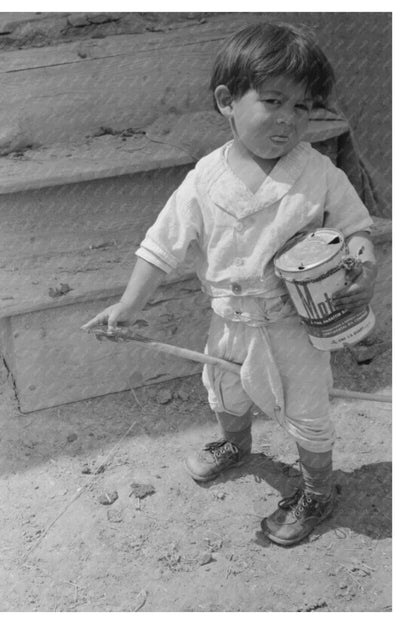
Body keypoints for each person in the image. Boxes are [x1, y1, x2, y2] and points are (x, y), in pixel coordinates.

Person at [82, 22, 377, 546]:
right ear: (227, 100)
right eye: (272, 101)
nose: (288, 119)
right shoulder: (203, 179)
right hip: (228, 320)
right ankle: (235, 444)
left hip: (293, 326)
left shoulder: (320, 172)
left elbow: (356, 227)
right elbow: (162, 245)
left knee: (306, 408)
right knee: (225, 390)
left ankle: (316, 490)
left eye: (304, 107)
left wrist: (362, 264)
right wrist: (129, 304)